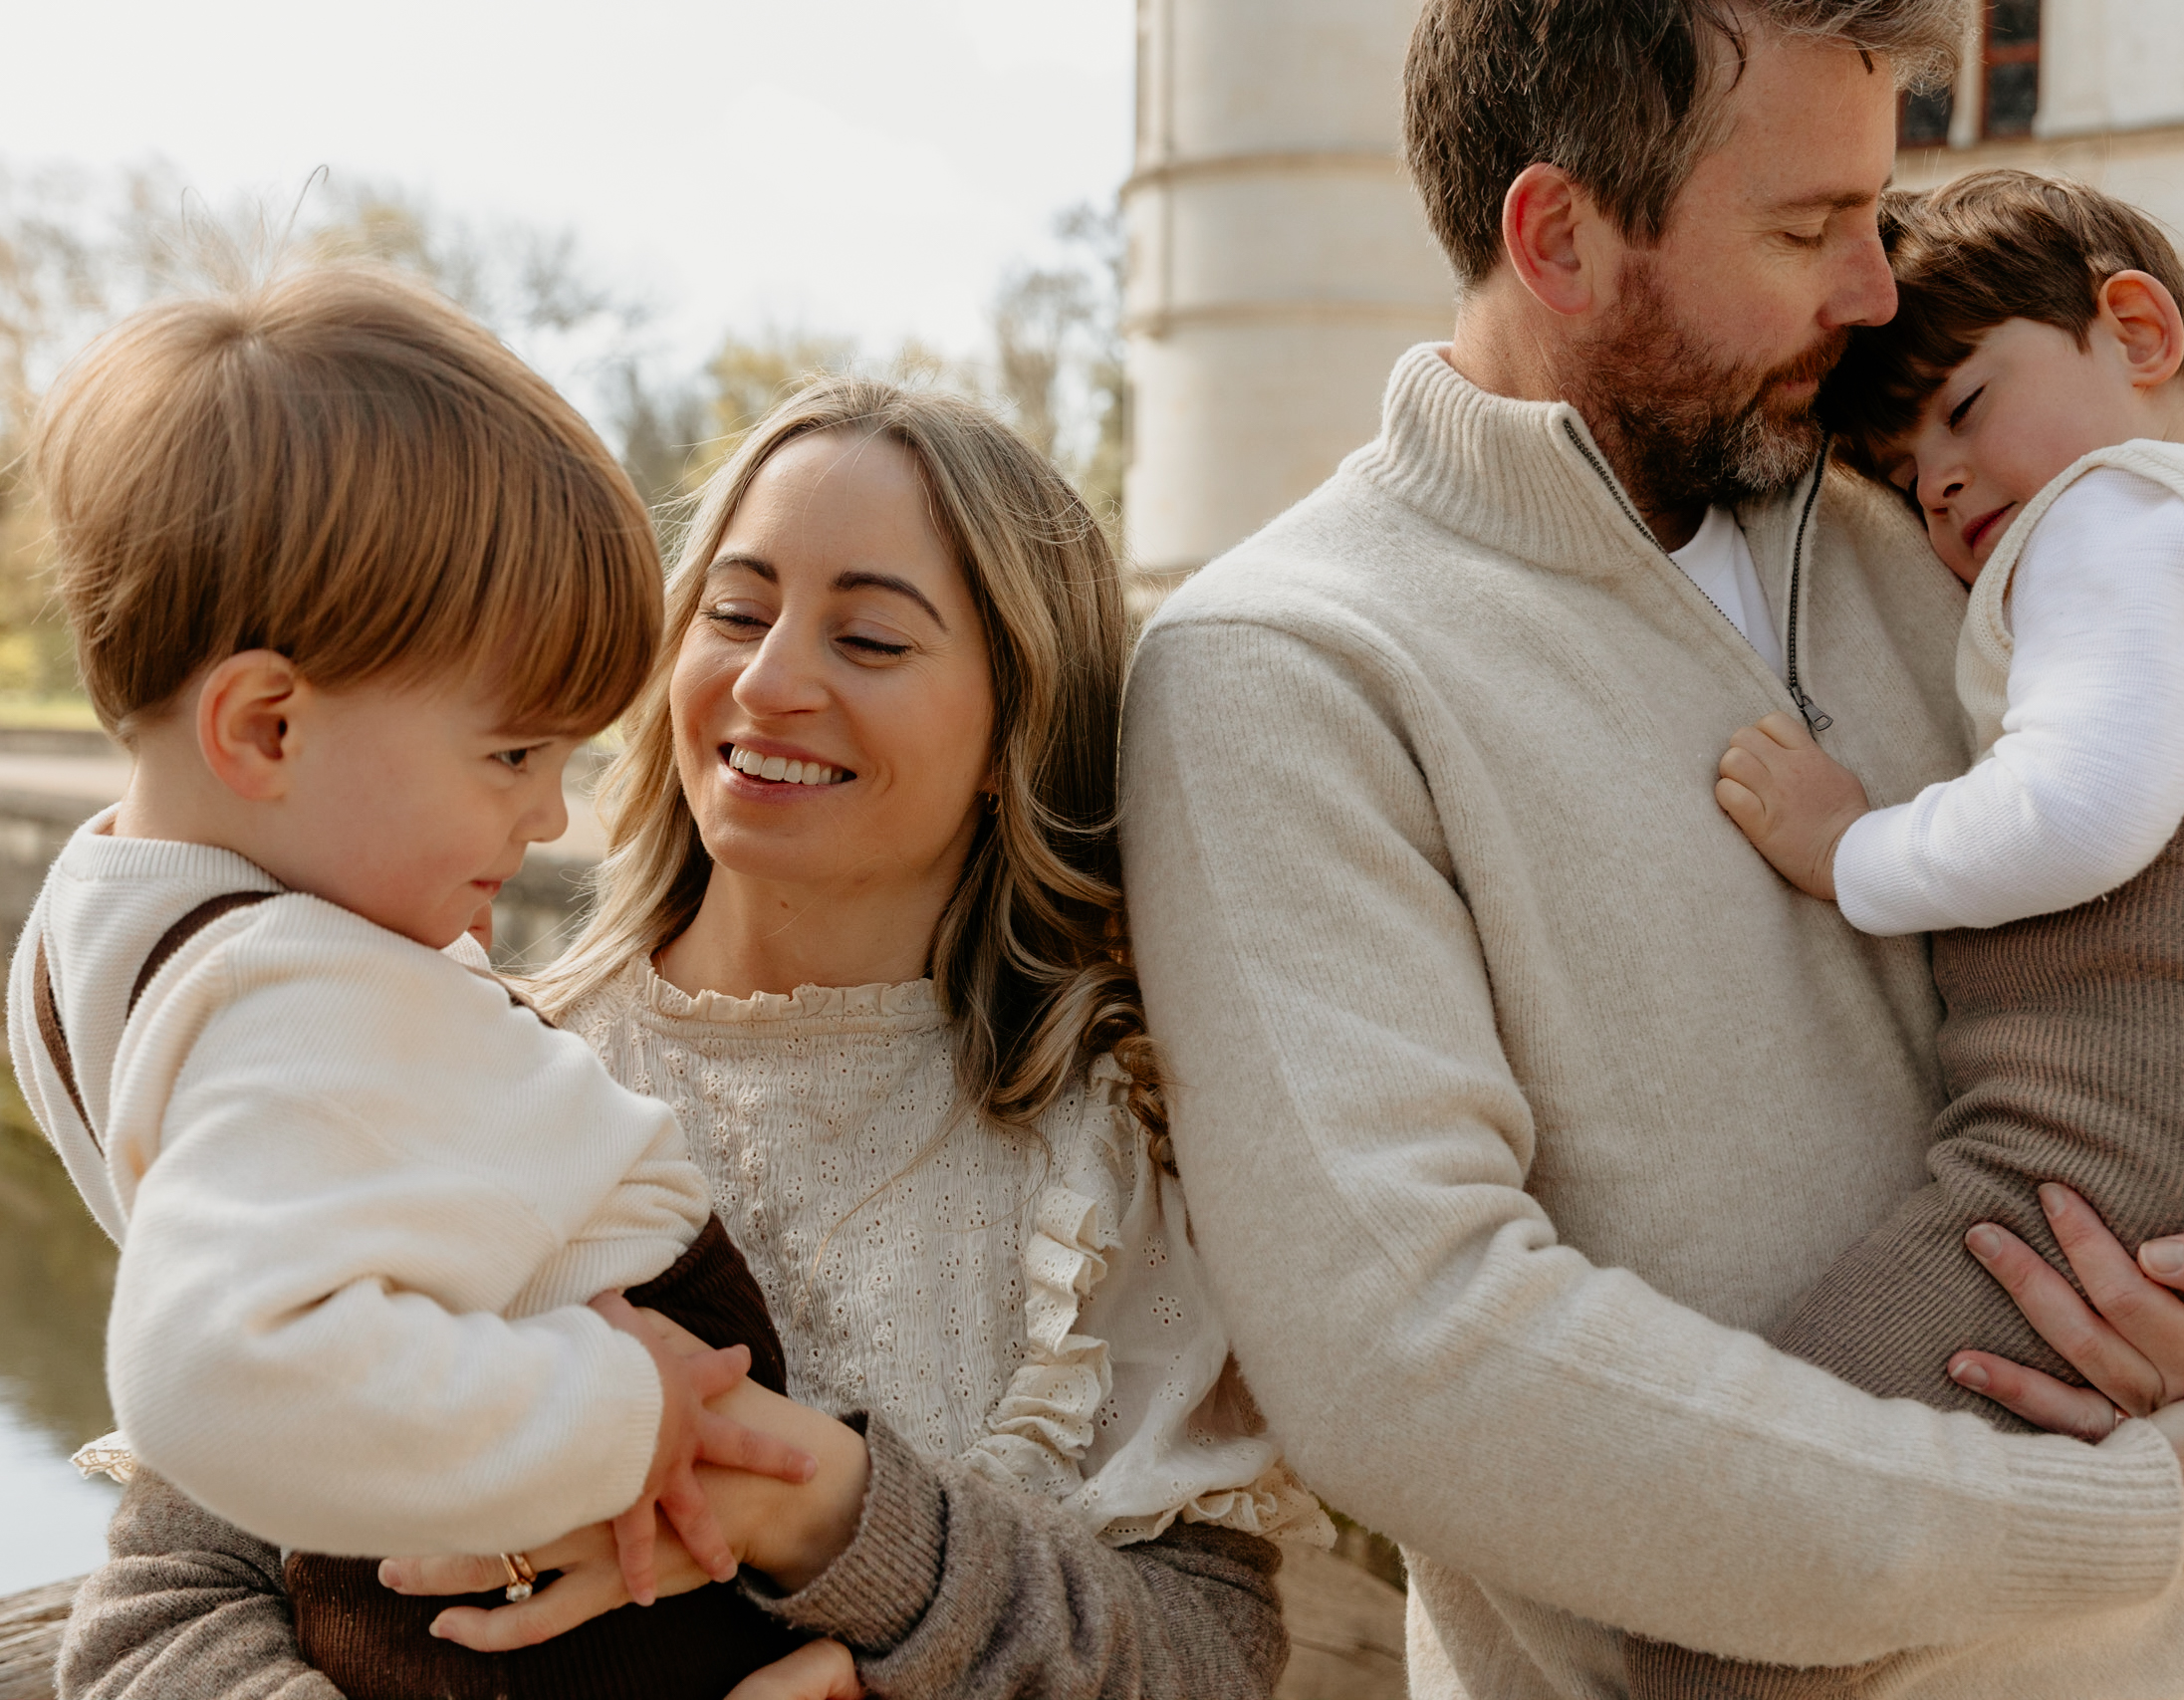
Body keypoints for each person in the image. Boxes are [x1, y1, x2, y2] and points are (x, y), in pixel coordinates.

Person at [1115, 4, 2184, 1698]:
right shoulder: (1286, 668)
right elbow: (1411, 1354)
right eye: (1808, 228)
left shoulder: (1973, 514)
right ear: (1563, 239)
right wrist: (2106, 1514)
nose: (1878, 290)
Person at [55, 374, 1327, 1699]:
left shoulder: (1114, 1157)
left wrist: (831, 1517)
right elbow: (162, 1605)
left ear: (1018, 724)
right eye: (735, 612)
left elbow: (1204, 1654)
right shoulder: (435, 1045)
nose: (769, 682)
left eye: (872, 641)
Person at [1628, 171, 2184, 1699]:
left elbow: (2087, 808)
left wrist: (1847, 845)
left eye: (1962, 407)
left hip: (2107, 1129)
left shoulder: (2112, 509)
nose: (1941, 486)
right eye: (1902, 468)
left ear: (2132, 328)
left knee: (1738, 1544)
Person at [11, 263, 832, 1698]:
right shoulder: (304, 991)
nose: (547, 819)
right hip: (580, 1586)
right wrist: (612, 1410)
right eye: (514, 755)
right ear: (266, 727)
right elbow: (209, 1372)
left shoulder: (84, 931)